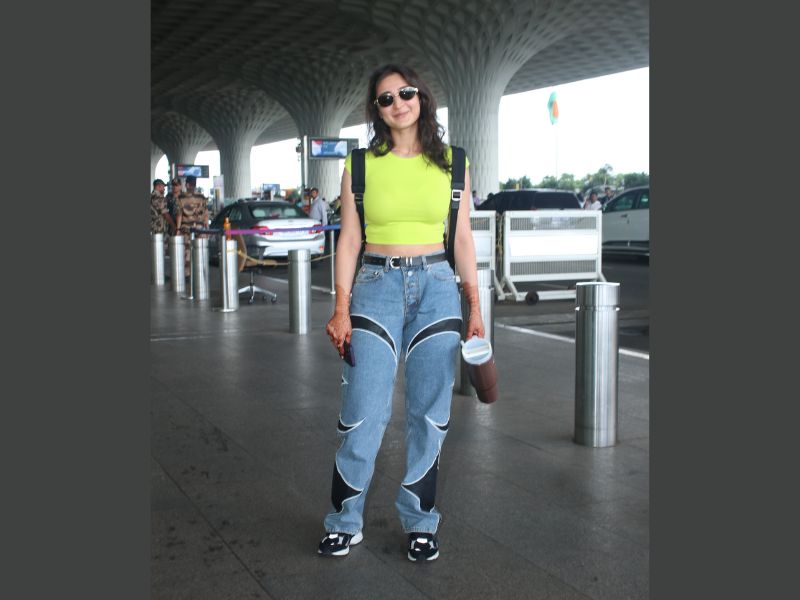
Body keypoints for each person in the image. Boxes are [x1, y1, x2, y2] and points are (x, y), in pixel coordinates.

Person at [317, 63, 485, 563]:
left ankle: (421, 521)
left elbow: (462, 238)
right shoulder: (360, 165)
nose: (398, 104)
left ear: (421, 97)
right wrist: (341, 307)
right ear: (376, 109)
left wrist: (475, 307)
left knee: (430, 415)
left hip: (437, 287)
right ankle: (344, 521)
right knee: (362, 411)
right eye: (386, 98)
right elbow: (349, 240)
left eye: (405, 93)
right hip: (375, 286)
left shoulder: (454, 162)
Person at [175, 175, 209, 277]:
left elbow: (179, 215)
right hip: (200, 228)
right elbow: (206, 214)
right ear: (195, 184)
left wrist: (178, 229)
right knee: (200, 250)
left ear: (187, 184)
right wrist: (207, 228)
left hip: (186, 229)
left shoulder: (181, 198)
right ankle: (199, 274)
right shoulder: (201, 197)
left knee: (187, 252)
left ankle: (188, 274)